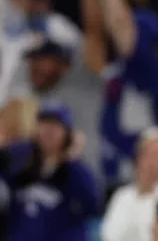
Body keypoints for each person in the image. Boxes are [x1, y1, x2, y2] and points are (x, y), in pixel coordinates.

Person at [0, 101, 101, 241]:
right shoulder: (21, 158)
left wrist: (70, 160)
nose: (48, 131)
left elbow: (92, 205)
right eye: (44, 124)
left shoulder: (76, 171)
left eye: (55, 125)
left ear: (67, 133)